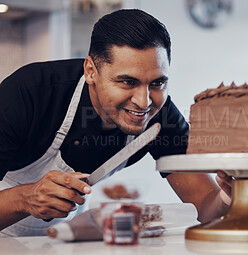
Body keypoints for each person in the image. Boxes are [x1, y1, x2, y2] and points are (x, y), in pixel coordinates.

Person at [0, 9, 234, 236]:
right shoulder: (26, 95)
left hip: (61, 239)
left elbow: (205, 207)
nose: (144, 102)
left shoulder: (160, 118)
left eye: (157, 83)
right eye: (127, 82)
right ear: (91, 71)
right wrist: (26, 198)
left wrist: (230, 195)